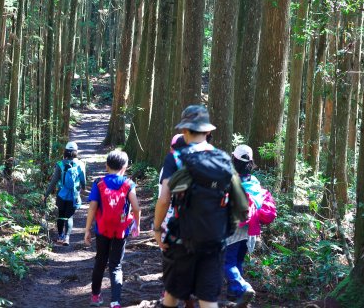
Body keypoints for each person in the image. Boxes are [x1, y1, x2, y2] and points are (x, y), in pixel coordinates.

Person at [153, 105, 248, 308]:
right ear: (208, 131)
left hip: (180, 239)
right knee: (208, 301)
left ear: (185, 130)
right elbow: (241, 204)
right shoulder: (223, 159)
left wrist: (157, 227)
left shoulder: (176, 158)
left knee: (171, 295)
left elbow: (164, 199)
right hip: (214, 241)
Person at [84, 149, 141, 308]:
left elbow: (93, 207)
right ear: (125, 166)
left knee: (100, 261)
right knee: (116, 265)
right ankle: (115, 301)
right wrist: (137, 224)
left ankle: (95, 296)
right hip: (120, 230)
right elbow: (136, 207)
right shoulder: (128, 184)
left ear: (106, 165)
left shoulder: (99, 183)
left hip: (102, 229)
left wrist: (87, 229)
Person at [224, 144, 276, 308]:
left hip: (233, 227)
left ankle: (243, 287)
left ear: (234, 159)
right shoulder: (254, 181)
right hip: (250, 227)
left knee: (227, 262)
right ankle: (235, 292)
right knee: (238, 259)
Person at [44, 140, 86, 246]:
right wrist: (84, 187)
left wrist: (46, 194)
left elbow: (53, 181)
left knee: (61, 215)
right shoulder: (80, 164)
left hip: (61, 194)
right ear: (76, 152)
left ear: (65, 151)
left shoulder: (60, 164)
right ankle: (67, 238)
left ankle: (60, 236)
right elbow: (83, 180)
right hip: (74, 195)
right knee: (69, 217)